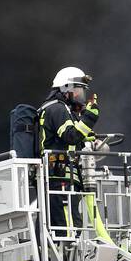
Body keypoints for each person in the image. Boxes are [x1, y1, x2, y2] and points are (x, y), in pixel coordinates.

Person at [38, 67, 101, 240]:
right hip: (60, 180)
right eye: (78, 90)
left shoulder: (63, 110)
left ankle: (70, 260)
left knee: (73, 224)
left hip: (65, 181)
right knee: (67, 231)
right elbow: (70, 136)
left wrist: (87, 138)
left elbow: (70, 139)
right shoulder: (56, 109)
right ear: (66, 89)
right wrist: (89, 117)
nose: (80, 95)